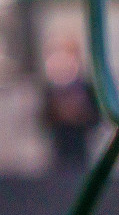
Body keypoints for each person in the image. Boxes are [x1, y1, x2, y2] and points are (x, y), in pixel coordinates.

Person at [39, 35, 101, 170]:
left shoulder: (87, 87)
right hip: (58, 152)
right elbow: (43, 120)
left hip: (81, 151)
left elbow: (97, 118)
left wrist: (80, 114)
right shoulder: (50, 89)